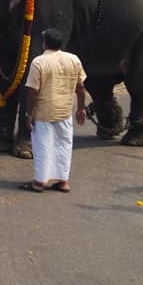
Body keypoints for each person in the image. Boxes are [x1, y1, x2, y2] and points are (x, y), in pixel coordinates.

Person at [21, 28, 87, 193]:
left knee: (42, 146)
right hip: (65, 111)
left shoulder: (39, 62)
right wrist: (81, 108)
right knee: (63, 145)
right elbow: (80, 87)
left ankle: (39, 182)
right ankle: (63, 181)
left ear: (45, 43)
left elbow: (33, 91)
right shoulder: (74, 59)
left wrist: (29, 114)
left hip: (44, 112)